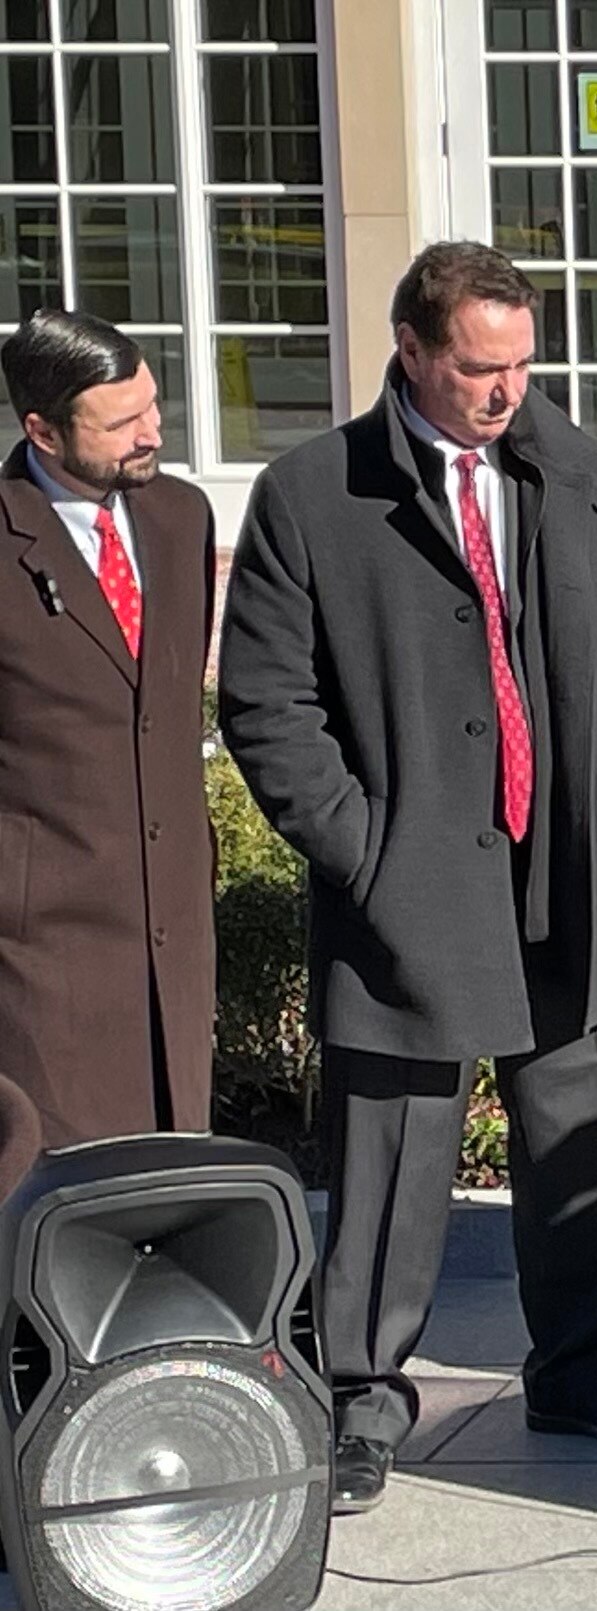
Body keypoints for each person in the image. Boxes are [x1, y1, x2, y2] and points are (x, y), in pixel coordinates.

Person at [220, 242, 597, 1514]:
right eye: (480, 368)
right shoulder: (314, 492)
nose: (506, 391)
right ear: (413, 352)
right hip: (408, 890)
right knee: (388, 1156)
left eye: (522, 365)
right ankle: (361, 1399)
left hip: (567, 871)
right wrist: (363, 850)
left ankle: (579, 1372)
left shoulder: (580, 474)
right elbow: (266, 702)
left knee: (570, 1142)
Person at [0, 310, 216, 1151]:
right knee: (55, 1193)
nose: (150, 433)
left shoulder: (181, 518)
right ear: (43, 432)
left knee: (169, 1182)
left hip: (173, 936)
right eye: (120, 422)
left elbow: (162, 709)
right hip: (41, 953)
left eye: (152, 406)